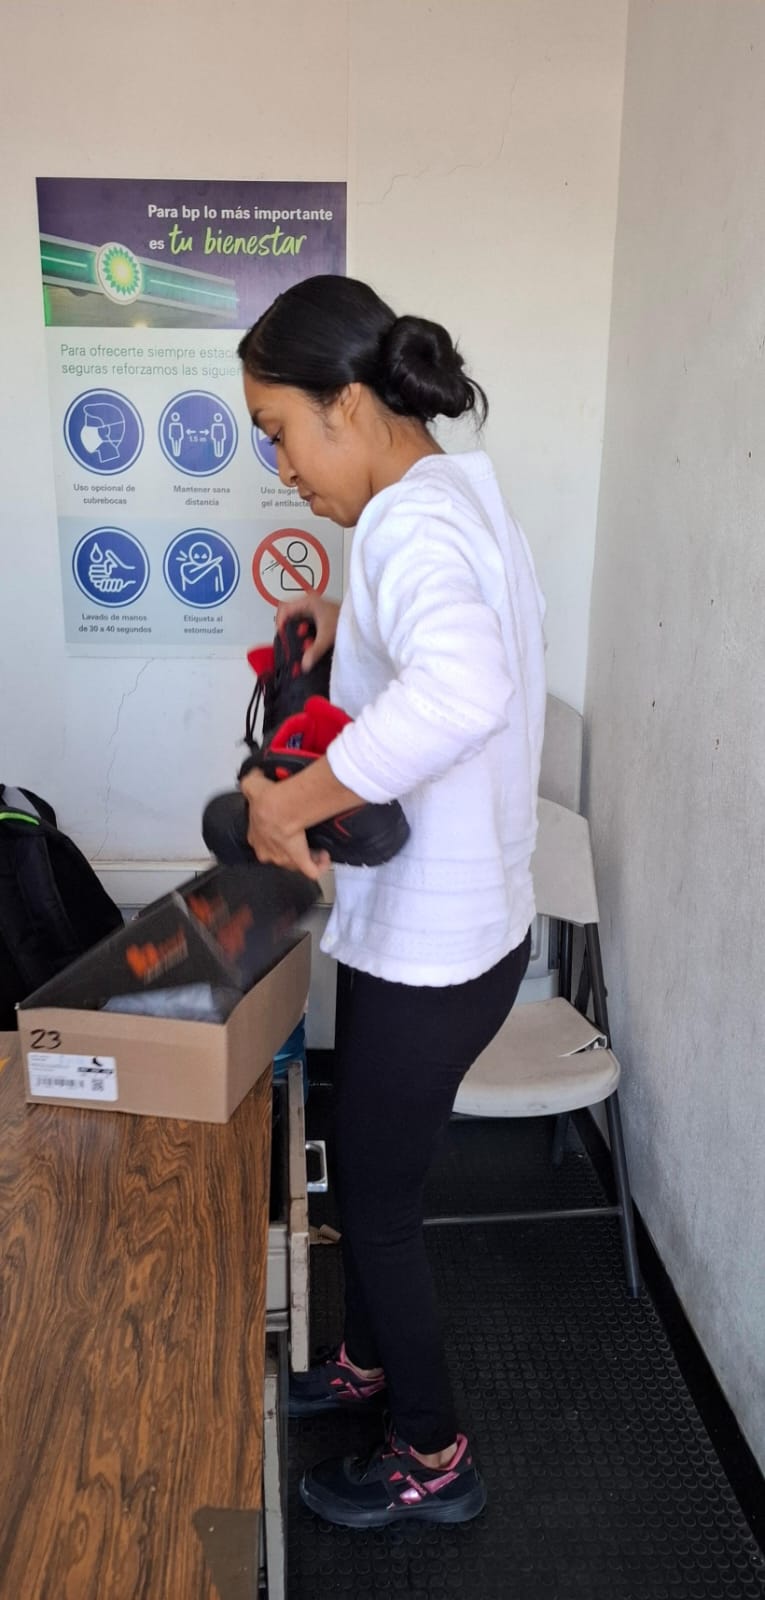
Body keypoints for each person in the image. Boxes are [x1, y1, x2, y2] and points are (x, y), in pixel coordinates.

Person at [237, 275, 546, 1529]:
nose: (281, 467)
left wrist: (289, 806)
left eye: (282, 431)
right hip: (454, 928)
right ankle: (365, 1363)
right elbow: (454, 656)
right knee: (368, 1172)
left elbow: (462, 688)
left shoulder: (412, 522)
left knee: (375, 1204)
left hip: (437, 942)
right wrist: (341, 623)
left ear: (351, 404)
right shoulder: (453, 495)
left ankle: (432, 1456)